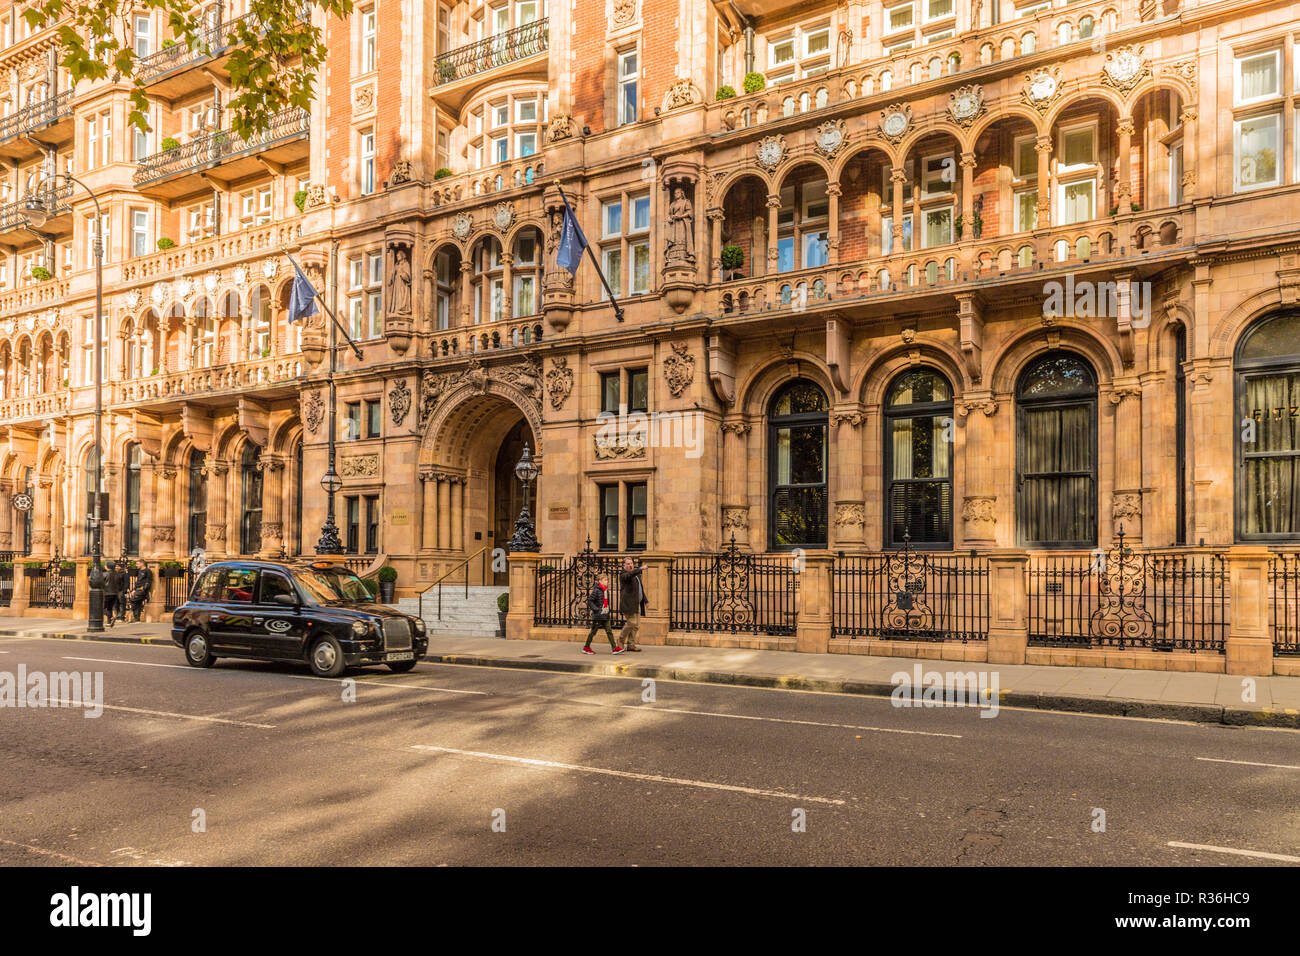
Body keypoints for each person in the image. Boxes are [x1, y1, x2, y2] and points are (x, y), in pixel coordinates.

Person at [582, 572, 623, 655]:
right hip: (598, 615)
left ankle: (614, 648)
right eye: (605, 580)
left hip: (605, 614)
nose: (607, 581)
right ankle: (586, 647)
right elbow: (590, 601)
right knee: (593, 632)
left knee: (609, 631)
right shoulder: (596, 590)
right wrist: (596, 610)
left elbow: (606, 602)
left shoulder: (605, 590)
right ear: (600, 581)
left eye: (607, 580)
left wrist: (607, 610)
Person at [619, 557, 649, 652]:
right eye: (627, 564)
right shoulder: (623, 575)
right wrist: (640, 569)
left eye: (631, 563)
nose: (630, 565)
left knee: (636, 626)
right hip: (628, 604)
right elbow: (630, 575)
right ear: (624, 566)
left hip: (636, 604)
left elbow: (640, 589)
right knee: (632, 622)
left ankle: (631, 645)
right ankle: (620, 640)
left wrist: (645, 600)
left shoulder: (636, 576)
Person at [103, 561, 123, 627]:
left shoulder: (105, 574)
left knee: (101, 608)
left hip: (107, 593)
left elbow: (99, 582)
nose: (104, 566)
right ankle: (109, 622)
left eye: (105, 565)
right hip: (115, 593)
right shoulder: (117, 574)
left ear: (107, 567)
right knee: (109, 608)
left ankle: (111, 617)